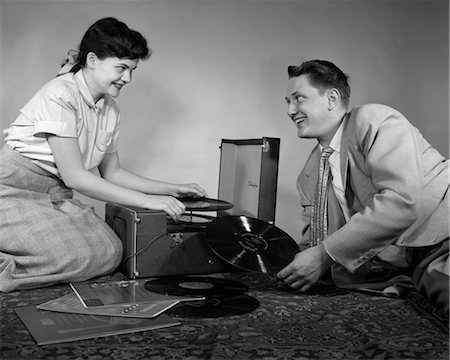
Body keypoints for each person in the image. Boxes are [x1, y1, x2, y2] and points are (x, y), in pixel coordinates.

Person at [0, 17, 207, 292]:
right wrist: (149, 201)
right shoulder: (59, 93)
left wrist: (171, 189)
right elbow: (75, 176)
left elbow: (112, 172)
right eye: (121, 68)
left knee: (110, 252)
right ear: (93, 60)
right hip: (12, 193)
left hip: (55, 197)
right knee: (69, 257)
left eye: (132, 70)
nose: (128, 78)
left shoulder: (111, 110)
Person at [277, 59, 449, 312]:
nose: (291, 110)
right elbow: (314, 239)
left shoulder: (374, 120)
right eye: (288, 102)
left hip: (441, 235)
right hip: (395, 261)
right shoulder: (311, 170)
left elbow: (401, 202)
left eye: (298, 98)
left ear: (332, 98)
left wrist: (324, 255)